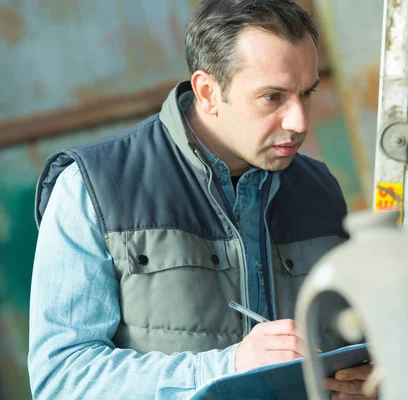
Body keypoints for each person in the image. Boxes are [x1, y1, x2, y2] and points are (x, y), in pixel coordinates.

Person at [28, 0, 376, 399]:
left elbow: (340, 346)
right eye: (273, 98)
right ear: (207, 92)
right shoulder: (92, 188)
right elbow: (60, 380)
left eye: (306, 94)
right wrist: (226, 367)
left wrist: (356, 384)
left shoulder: (320, 191)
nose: (299, 121)